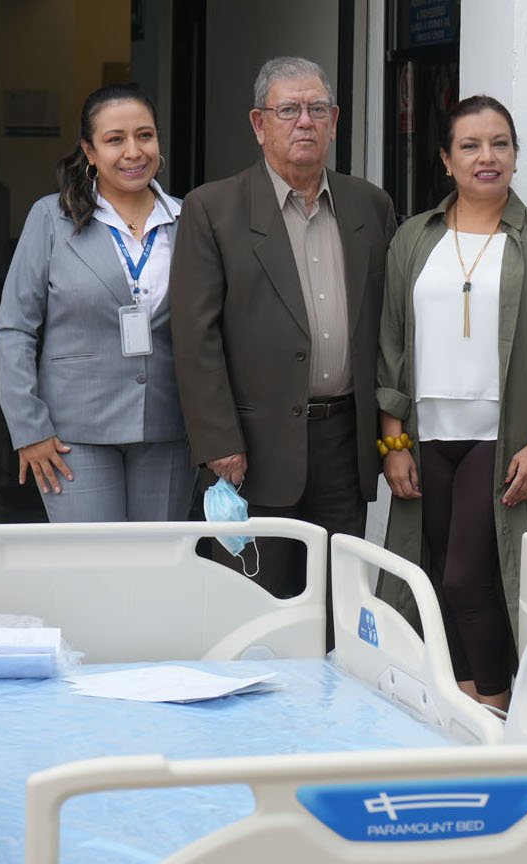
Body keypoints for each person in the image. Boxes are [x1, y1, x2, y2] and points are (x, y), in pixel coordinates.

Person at [169, 57, 397, 610]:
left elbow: (391, 326)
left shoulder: (369, 204)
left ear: (335, 120)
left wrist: (393, 437)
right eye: (288, 110)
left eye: (317, 109)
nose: (305, 122)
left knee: (337, 606)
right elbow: (194, 336)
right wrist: (218, 441)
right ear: (258, 123)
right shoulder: (213, 209)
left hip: (345, 441)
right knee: (257, 606)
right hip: (251, 449)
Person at [378, 95, 527, 711]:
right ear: (446, 159)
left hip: (503, 438)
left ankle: (494, 705)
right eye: (470, 145)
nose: (485, 157)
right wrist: (393, 441)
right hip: (428, 436)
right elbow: (392, 343)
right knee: (439, 576)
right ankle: (465, 699)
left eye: (499, 144)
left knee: (474, 577)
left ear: (516, 157)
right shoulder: (415, 238)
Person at [0, 83, 193, 522]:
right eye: (115, 139)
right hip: (72, 435)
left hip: (168, 428)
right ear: (89, 150)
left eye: (145, 136)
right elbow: (15, 329)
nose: (133, 152)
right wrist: (29, 429)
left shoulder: (189, 218)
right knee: (92, 570)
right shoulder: (51, 217)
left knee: (154, 569)